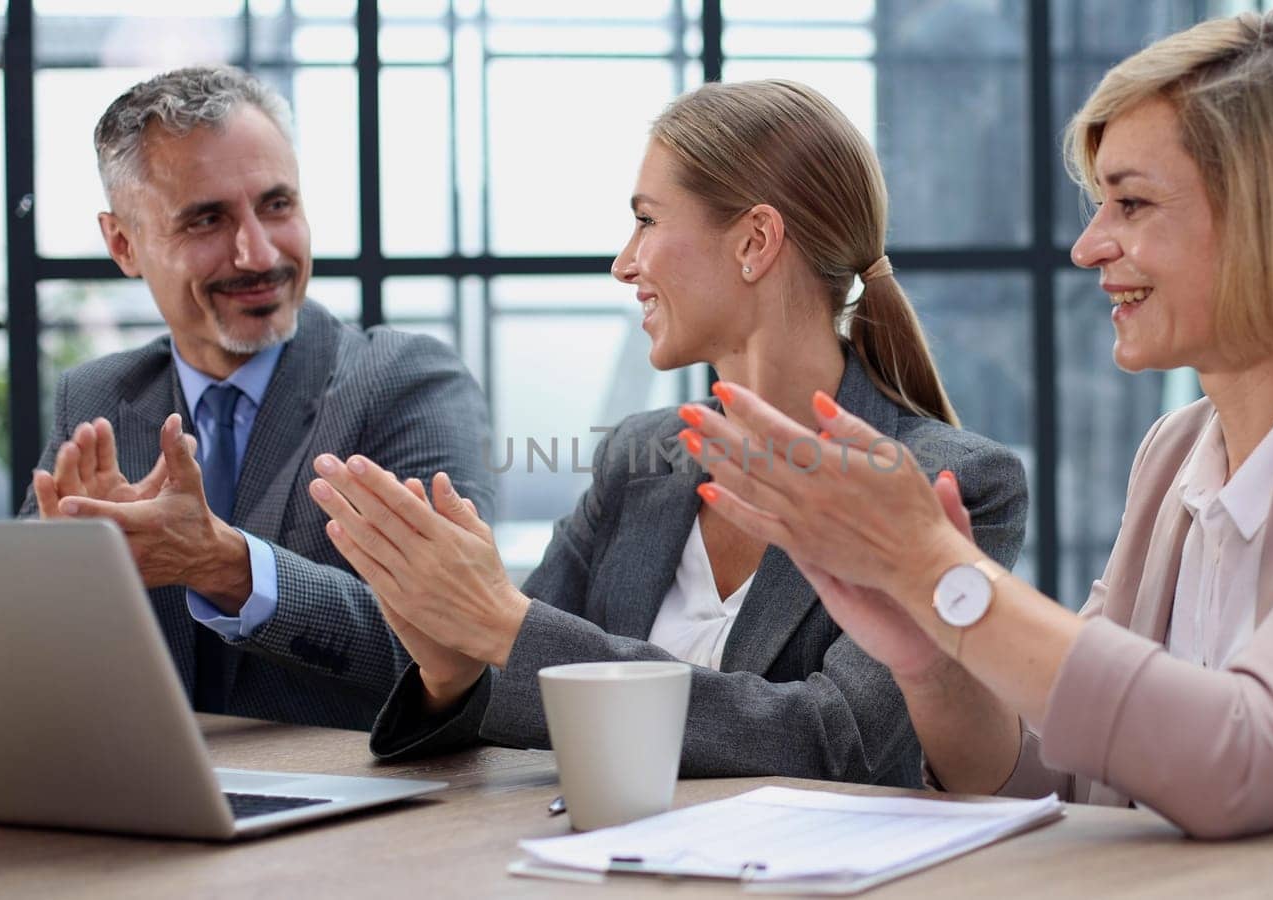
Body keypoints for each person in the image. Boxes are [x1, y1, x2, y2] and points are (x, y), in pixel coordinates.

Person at [676, 9, 1273, 838]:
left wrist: (939, 568)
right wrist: (929, 656)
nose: (1087, 247)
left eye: (1131, 204)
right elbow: (1066, 779)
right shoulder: (1176, 453)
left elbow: (1247, 763)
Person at [307, 79, 1028, 785]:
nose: (626, 264)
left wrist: (500, 624)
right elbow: (525, 682)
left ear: (754, 242)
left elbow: (841, 745)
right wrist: (452, 666)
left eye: (647, 220)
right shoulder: (638, 458)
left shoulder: (951, 484)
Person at [21, 66, 492, 731]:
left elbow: (466, 647)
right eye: (207, 220)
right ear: (123, 244)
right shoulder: (96, 396)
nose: (258, 253)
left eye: (277, 205)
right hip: (142, 797)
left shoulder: (404, 381)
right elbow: (10, 638)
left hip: (357, 807)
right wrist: (62, 577)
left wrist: (231, 568)